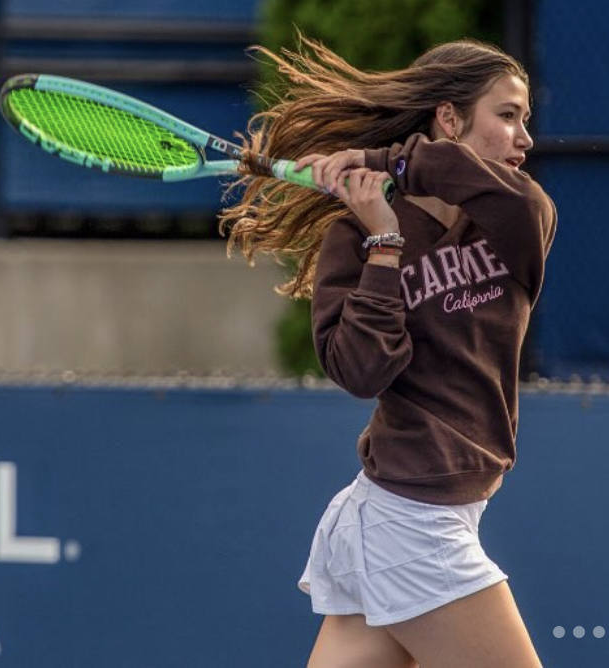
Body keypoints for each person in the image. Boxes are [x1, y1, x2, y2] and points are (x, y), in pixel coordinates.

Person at [220, 34, 556, 668]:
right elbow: (361, 369)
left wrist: (389, 162)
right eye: (506, 116)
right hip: (410, 520)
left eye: (525, 119)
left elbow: (508, 197)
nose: (525, 137)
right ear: (449, 119)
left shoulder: (518, 217)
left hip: (420, 516)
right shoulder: (357, 236)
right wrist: (384, 241)